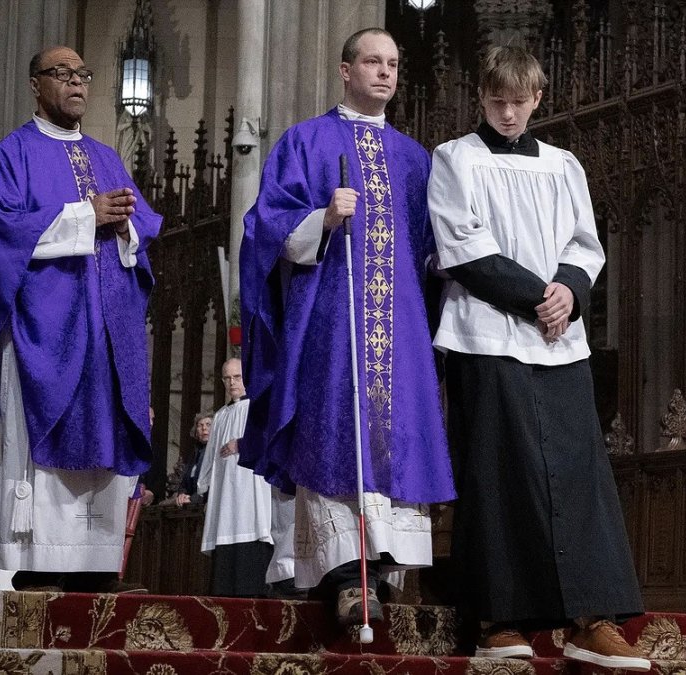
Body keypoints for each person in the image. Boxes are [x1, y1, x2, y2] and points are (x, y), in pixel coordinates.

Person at [427, 45, 648, 667]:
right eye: (496, 102)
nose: (506, 114)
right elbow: (461, 246)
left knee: (580, 478)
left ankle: (591, 618)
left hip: (559, 342)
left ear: (537, 100)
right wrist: (536, 298)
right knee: (498, 475)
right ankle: (501, 619)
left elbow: (586, 243)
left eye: (518, 103)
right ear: (482, 97)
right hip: (486, 336)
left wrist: (570, 293)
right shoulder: (456, 159)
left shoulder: (564, 165)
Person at [240, 27, 455, 624]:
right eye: (371, 62)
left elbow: (435, 245)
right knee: (337, 430)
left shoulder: (416, 158)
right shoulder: (306, 142)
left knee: (393, 437)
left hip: (401, 326)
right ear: (345, 70)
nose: (384, 73)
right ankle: (341, 573)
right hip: (330, 324)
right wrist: (321, 220)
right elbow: (263, 229)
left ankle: (387, 572)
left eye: (392, 64)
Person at [0, 45, 161, 594]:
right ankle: (40, 567)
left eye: (83, 74)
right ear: (34, 85)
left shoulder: (107, 157)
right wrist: (88, 216)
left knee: (103, 441)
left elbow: (141, 229)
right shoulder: (14, 153)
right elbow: (1, 233)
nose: (76, 83)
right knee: (42, 442)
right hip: (43, 331)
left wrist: (125, 228)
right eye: (61, 74)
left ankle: (94, 567)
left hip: (104, 332)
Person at [197, 358, 274, 597]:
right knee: (226, 533)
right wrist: (203, 486)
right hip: (225, 495)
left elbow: (270, 439)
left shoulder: (258, 409)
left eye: (237, 377)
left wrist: (241, 444)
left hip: (251, 490)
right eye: (227, 378)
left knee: (250, 531)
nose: (232, 383)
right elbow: (210, 456)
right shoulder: (220, 415)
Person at [157, 410, 213, 507]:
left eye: (208, 424)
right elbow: (184, 482)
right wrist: (182, 495)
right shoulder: (194, 455)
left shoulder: (216, 452)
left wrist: (193, 499)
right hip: (190, 504)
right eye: (200, 425)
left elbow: (212, 483)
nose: (204, 428)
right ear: (196, 431)